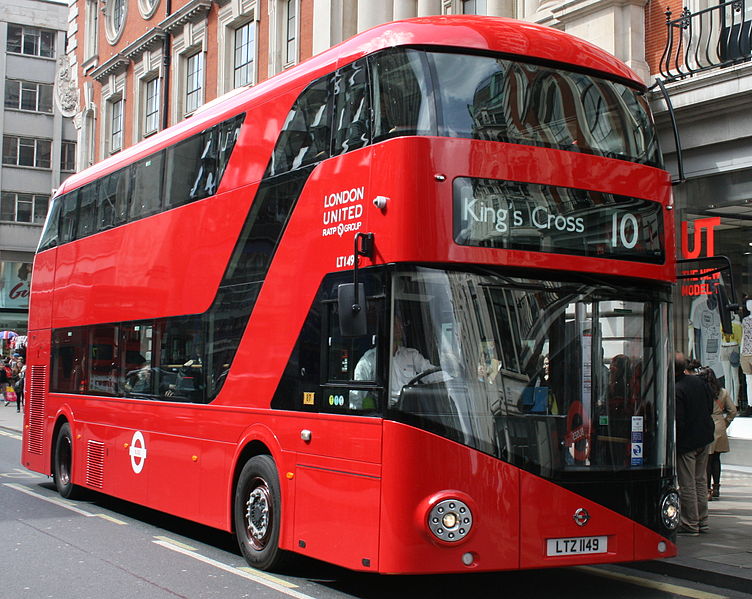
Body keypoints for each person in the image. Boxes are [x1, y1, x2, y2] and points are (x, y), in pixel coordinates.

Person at [354, 317, 440, 406]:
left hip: (413, 410)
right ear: (385, 328)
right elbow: (357, 394)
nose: (400, 327)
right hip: (388, 410)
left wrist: (451, 381)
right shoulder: (369, 360)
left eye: (401, 324)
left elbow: (431, 374)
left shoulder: (411, 355)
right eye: (395, 324)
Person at [674, 353, 715, 535]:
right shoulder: (699, 382)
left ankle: (690, 523)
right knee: (700, 481)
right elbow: (710, 407)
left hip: (688, 442)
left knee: (687, 483)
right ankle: (703, 521)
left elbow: (679, 421)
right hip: (704, 437)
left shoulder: (677, 388)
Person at [698, 367, 737, 500]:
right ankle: (716, 487)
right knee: (716, 459)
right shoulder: (723, 392)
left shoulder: (702, 391)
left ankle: (707, 489)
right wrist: (725, 423)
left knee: (707, 460)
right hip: (720, 425)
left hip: (706, 424)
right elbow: (733, 411)